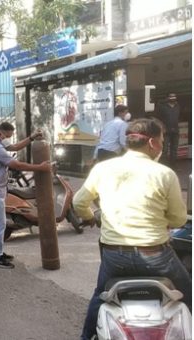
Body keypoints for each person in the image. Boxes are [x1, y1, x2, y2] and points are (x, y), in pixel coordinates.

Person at [72, 118, 190, 340]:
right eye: (162, 141)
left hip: (114, 258)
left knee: (100, 296)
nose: (163, 146)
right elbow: (178, 218)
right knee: (188, 293)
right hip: (158, 256)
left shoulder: (103, 168)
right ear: (153, 143)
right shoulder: (165, 173)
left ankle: (85, 337)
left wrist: (93, 217)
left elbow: (79, 203)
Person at [0, 122, 50, 269]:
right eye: (8, 136)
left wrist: (31, 137)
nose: (9, 139)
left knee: (1, 225)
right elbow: (16, 165)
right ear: (0, 134)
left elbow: (15, 147)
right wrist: (40, 168)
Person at [156, 93, 181, 167]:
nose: (173, 98)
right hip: (166, 131)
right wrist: (162, 127)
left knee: (174, 150)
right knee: (164, 150)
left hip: (175, 131)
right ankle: (164, 166)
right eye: (171, 96)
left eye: (174, 96)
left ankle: (173, 166)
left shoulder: (178, 106)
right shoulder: (162, 107)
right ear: (167, 98)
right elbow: (157, 118)